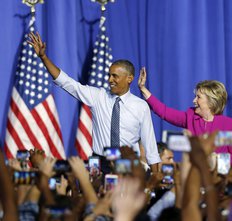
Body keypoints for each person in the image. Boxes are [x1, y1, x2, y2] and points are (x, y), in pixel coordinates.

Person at [27, 32, 160, 173]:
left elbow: (150, 145)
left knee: (125, 196)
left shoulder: (141, 106)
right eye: (109, 75)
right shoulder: (98, 96)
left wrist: (156, 179)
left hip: (126, 164)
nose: (110, 80)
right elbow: (67, 83)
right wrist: (43, 57)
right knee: (92, 194)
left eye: (115, 76)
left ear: (129, 78)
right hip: (99, 163)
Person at [138, 67, 232, 166]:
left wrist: (215, 164)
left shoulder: (227, 126)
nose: (194, 100)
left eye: (198, 97)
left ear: (211, 101)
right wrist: (143, 88)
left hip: (217, 180)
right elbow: (164, 111)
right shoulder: (191, 117)